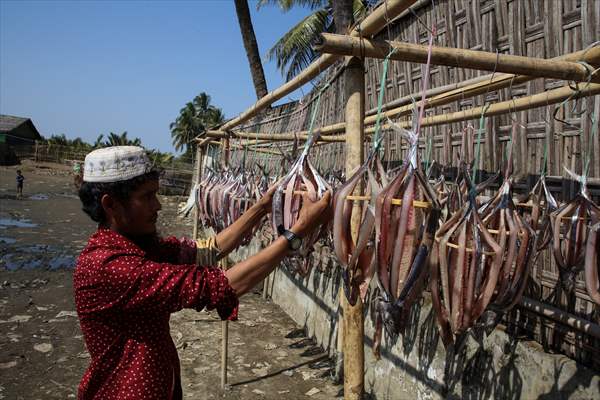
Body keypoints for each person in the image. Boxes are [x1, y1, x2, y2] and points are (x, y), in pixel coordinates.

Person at [74, 146, 330, 399]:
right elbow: (218, 285)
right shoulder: (108, 265)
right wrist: (298, 232)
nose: (158, 205)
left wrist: (262, 208)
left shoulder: (139, 247)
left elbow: (208, 251)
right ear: (111, 206)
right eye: (147, 196)